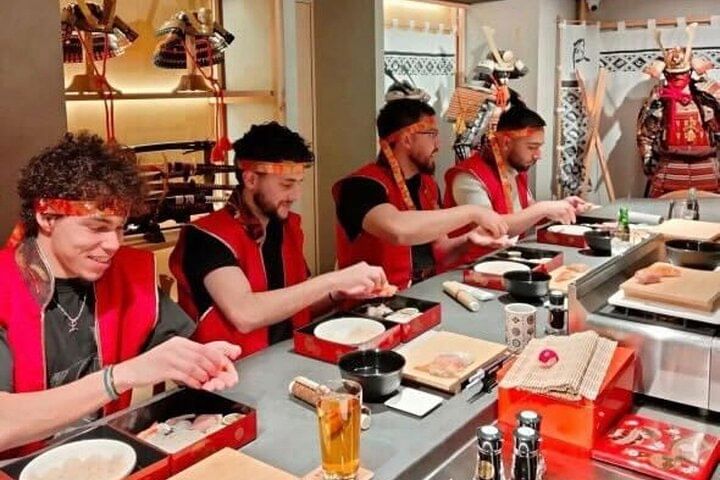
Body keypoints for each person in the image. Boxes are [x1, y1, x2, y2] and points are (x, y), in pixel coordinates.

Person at [0, 132, 240, 454]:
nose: (113, 244)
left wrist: (201, 365)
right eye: (97, 227)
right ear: (46, 216)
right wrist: (119, 377)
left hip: (107, 455)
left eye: (120, 228)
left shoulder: (129, 274)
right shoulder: (5, 287)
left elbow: (175, 348)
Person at [170, 122, 388, 358]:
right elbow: (245, 314)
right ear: (251, 179)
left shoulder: (285, 228)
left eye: (299, 183)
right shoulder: (206, 237)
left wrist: (338, 293)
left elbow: (296, 305)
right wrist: (333, 280)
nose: (296, 195)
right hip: (228, 372)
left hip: (287, 358)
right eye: (286, 184)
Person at [333, 98, 511, 289]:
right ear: (407, 139)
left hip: (423, 293)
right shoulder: (361, 185)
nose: (438, 144)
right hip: (375, 300)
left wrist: (470, 240)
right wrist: (472, 212)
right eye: (432, 134)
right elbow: (397, 230)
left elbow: (440, 252)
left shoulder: (427, 185)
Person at [445, 105, 591, 236]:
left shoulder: (516, 169)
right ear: (506, 142)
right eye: (532, 147)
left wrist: (561, 208)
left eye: (539, 147)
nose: (538, 155)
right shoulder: (469, 177)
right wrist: (544, 209)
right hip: (478, 258)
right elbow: (490, 227)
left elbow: (528, 212)